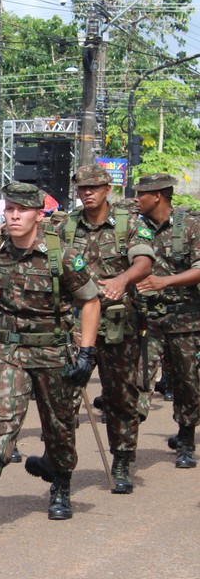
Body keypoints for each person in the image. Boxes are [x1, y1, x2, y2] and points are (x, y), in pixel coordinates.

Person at [0, 182, 100, 520]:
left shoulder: (60, 254)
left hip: (52, 349)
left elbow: (91, 301)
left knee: (59, 425)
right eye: (10, 210)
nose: (15, 216)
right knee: (3, 414)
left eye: (22, 210)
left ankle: (61, 486)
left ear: (39, 214)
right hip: (10, 347)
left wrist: (87, 352)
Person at [55, 165, 155, 492]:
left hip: (117, 324)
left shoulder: (129, 223)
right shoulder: (66, 226)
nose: (88, 192)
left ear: (107, 188)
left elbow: (143, 262)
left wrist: (122, 279)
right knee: (64, 395)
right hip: (75, 323)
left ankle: (122, 460)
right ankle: (60, 469)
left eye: (94, 187)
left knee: (120, 396)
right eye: (82, 188)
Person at [133, 173, 200, 469]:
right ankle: (125, 447)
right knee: (138, 379)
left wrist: (165, 282)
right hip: (147, 319)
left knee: (188, 383)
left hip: (185, 317)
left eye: (141, 194)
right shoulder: (135, 228)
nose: (136, 199)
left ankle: (186, 439)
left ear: (158, 195)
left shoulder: (190, 225)